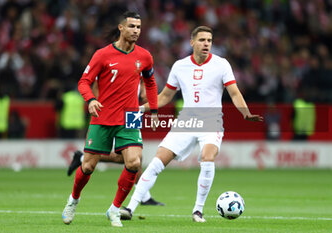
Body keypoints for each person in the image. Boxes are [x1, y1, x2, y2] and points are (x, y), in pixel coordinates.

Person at [120, 26, 263, 223]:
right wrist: (141, 109)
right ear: (192, 42)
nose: (206, 44)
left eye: (209, 40)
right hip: (186, 121)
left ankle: (198, 210)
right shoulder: (180, 66)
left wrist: (245, 113)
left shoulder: (222, 65)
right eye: (202, 40)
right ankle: (130, 207)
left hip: (212, 121)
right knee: (156, 163)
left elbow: (235, 92)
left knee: (207, 158)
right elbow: (165, 96)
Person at [62, 11, 158, 228]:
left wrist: (153, 109)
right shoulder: (102, 55)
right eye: (132, 26)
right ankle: (73, 200)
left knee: (134, 162)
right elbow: (84, 81)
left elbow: (150, 83)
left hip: (131, 116)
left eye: (139, 27)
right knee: (87, 167)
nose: (136, 31)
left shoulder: (144, 56)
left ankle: (114, 209)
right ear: (121, 28)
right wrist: (91, 100)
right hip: (103, 115)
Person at [67, 150, 165, 206]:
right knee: (131, 158)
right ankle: (83, 158)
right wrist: (154, 113)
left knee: (133, 158)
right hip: (118, 119)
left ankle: (145, 197)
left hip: (129, 117)